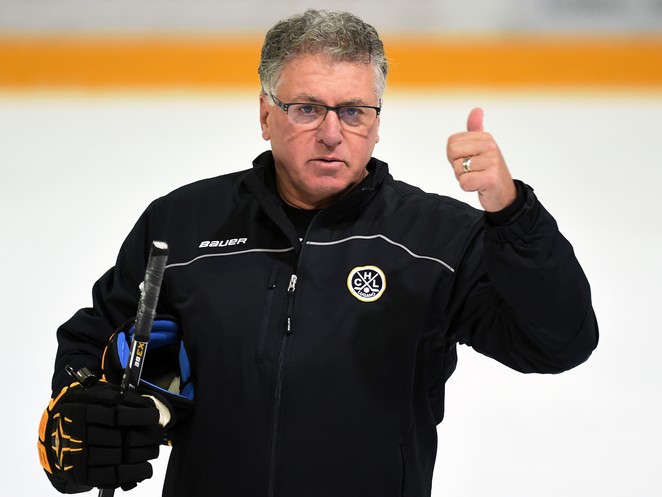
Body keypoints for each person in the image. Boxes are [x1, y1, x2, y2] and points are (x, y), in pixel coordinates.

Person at [37, 9, 598, 497]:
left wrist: (511, 214)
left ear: (376, 124)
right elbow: (95, 344)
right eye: (307, 109)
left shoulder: (438, 241)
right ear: (265, 115)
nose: (332, 133)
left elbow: (557, 342)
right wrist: (80, 406)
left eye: (354, 111)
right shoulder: (183, 225)